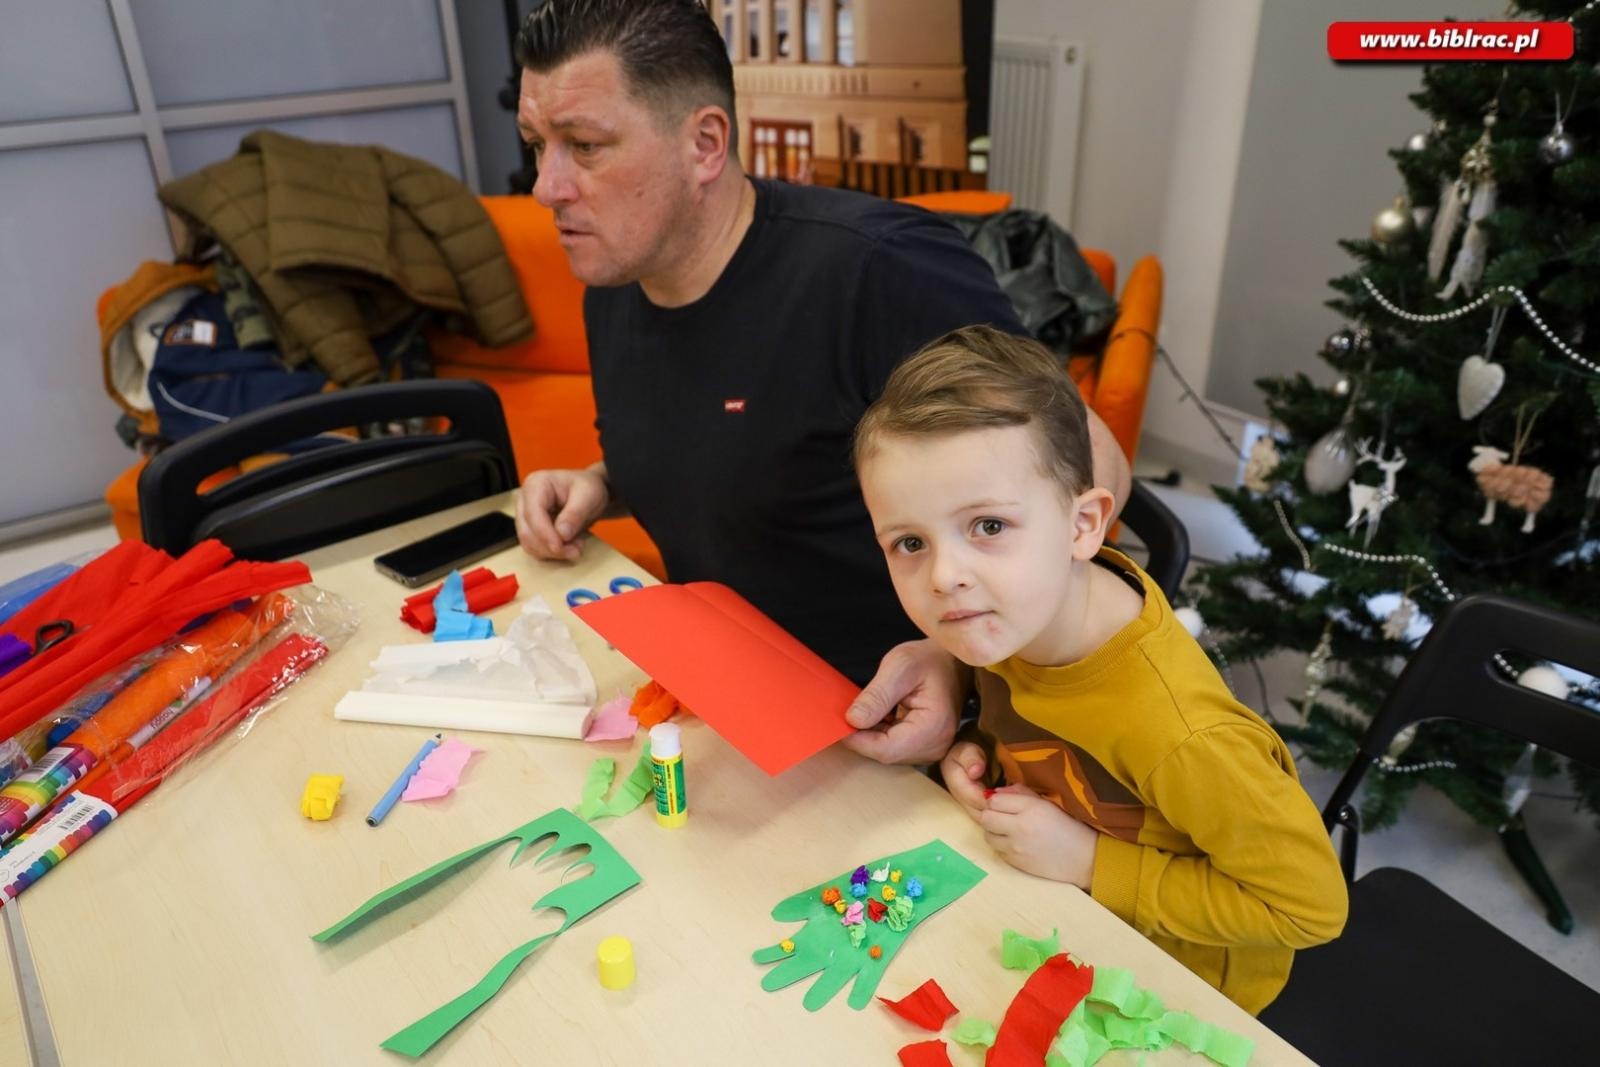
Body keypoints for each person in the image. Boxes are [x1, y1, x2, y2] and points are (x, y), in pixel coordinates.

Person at [510, 0, 1129, 759]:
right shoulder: (614, 282)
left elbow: (1093, 464)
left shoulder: (876, 271)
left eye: (585, 145)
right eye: (538, 145)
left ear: (705, 143)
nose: (546, 186)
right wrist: (604, 482)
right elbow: (745, 436)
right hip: (739, 712)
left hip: (903, 736)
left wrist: (963, 666)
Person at [852, 325, 1347, 1014]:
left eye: (988, 526)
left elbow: (1311, 909)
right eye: (909, 542)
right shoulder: (1018, 614)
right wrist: (981, 741)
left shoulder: (1180, 732)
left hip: (1176, 989)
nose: (945, 577)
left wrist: (1089, 860)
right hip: (1058, 913)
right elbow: (1048, 718)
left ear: (1084, 525)